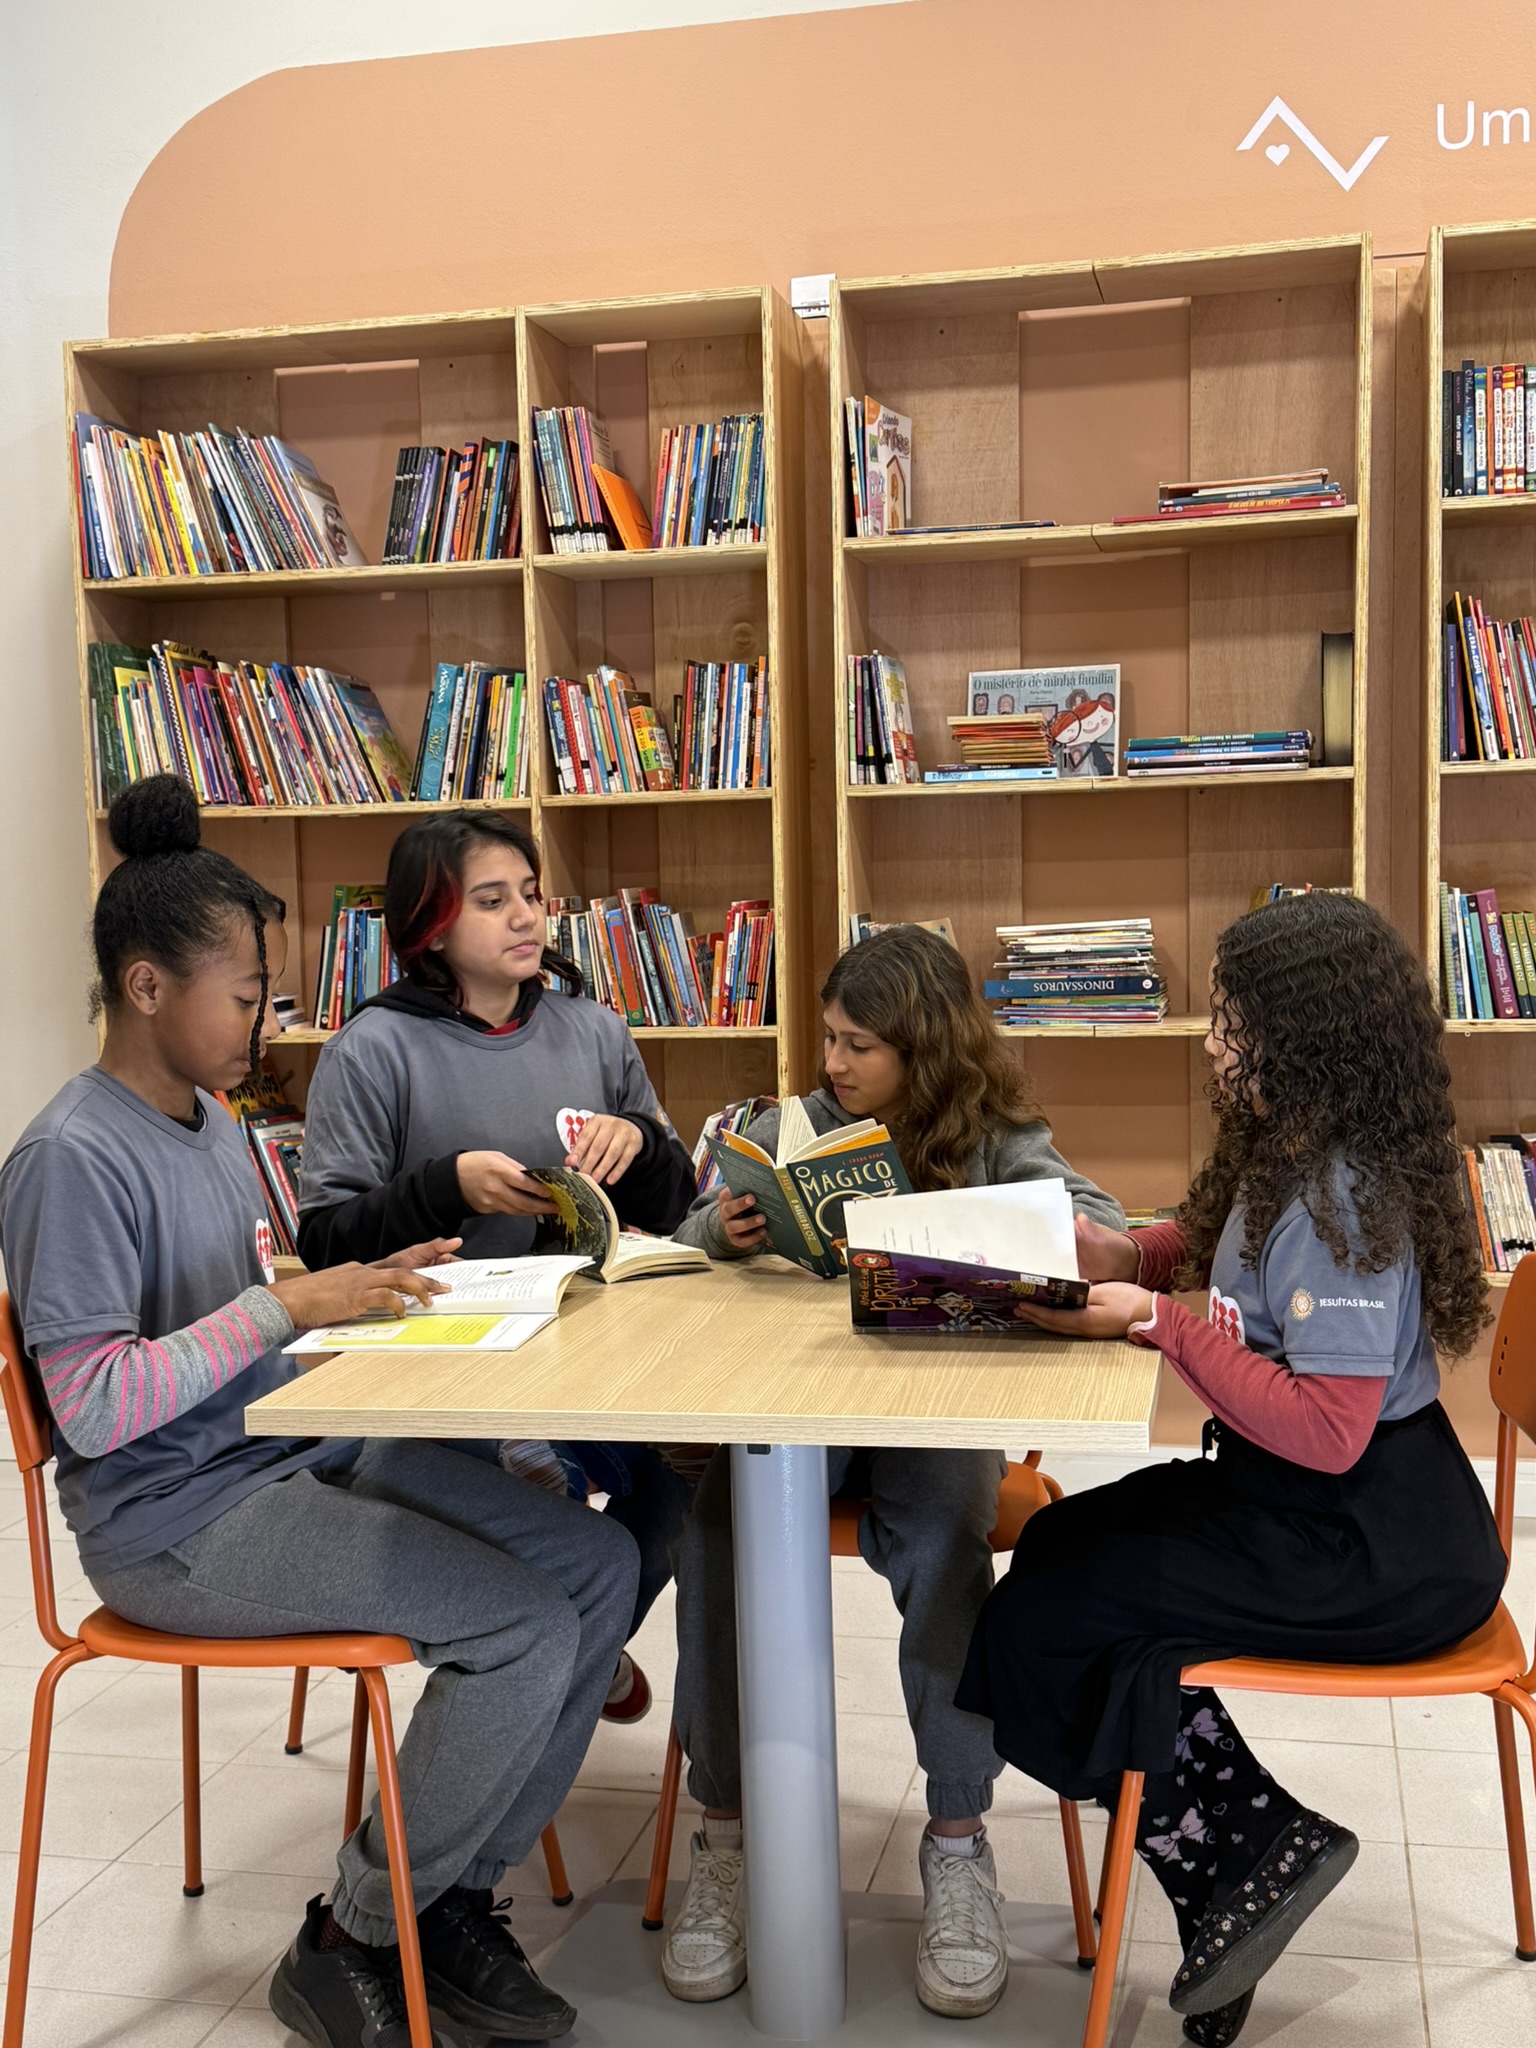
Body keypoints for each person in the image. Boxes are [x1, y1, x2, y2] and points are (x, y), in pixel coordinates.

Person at [0, 777, 640, 2048]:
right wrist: (287, 1306)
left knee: (601, 1563)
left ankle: (445, 1897)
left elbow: (269, 1294)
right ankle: (352, 1930)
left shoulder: (215, 1121)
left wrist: (368, 1289)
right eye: (247, 998)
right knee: (519, 1626)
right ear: (146, 986)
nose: (266, 1023)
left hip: (290, 1452)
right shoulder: (70, 1156)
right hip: (174, 1520)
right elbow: (93, 1402)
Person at [961, 891, 1507, 2047]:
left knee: (1045, 1616)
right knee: (1058, 1548)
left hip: (1371, 1543)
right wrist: (1127, 1250)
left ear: (1302, 1038)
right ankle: (1244, 1862)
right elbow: (1222, 1251)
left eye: (1233, 1022)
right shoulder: (1290, 1149)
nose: (1213, 1042)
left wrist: (1154, 1319)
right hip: (1311, 1502)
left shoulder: (1343, 1192)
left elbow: (1328, 1430)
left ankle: (1245, 1854)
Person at [664, 923, 1125, 2019]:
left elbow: (1102, 1225)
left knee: (949, 1535)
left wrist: (1009, 1229)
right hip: (797, 1407)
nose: (833, 1061)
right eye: (828, 1037)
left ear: (926, 1047)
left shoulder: (996, 1130)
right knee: (716, 1532)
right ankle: (724, 1837)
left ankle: (958, 1840)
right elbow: (687, 1235)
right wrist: (726, 1229)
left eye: (859, 1044)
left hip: (927, 1410)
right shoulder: (798, 1126)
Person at [297, 809, 700, 1722]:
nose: (525, 917)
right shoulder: (373, 1049)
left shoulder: (593, 1030)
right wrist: (445, 1187)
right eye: (491, 901)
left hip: (592, 1352)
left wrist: (638, 1145)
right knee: (518, 1483)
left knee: (694, 1480)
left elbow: (676, 1205)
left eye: (531, 894)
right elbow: (325, 1245)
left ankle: (582, 1643)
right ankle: (560, 1650)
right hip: (445, 1372)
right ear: (430, 925)